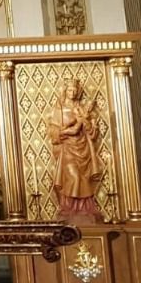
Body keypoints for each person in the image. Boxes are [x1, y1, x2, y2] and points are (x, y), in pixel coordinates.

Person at [47, 79, 103, 221]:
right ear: (65, 91)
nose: (72, 93)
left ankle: (83, 209)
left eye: (74, 90)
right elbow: (53, 131)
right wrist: (64, 132)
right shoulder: (59, 109)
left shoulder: (81, 108)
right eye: (69, 90)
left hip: (83, 148)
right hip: (67, 149)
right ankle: (68, 208)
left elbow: (90, 131)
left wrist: (88, 123)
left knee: (83, 178)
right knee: (74, 177)